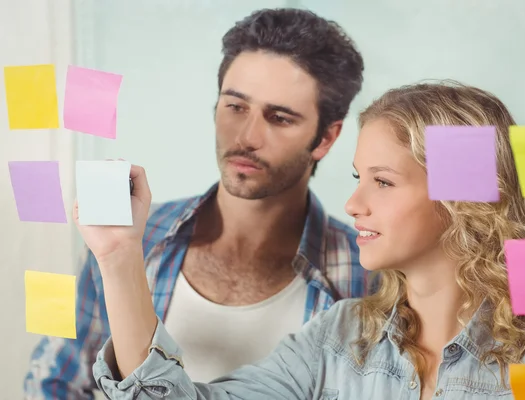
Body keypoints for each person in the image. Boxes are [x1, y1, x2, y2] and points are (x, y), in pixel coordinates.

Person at [82, 81, 525, 399]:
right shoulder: (336, 340)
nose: (353, 205)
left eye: (383, 180)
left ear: (461, 196)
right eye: (357, 178)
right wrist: (119, 255)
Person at [24, 8, 371, 399]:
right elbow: (55, 382)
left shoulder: (367, 277)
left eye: (279, 117)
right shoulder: (133, 237)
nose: (246, 136)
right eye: (235, 107)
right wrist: (118, 255)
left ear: (325, 138)